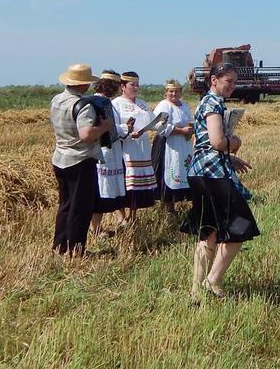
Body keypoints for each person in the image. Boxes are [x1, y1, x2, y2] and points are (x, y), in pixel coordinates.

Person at [181, 63, 260, 299]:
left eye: (235, 82)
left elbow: (201, 143)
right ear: (214, 79)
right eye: (229, 81)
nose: (232, 87)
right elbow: (216, 141)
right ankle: (212, 282)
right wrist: (235, 142)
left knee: (209, 233)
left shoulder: (205, 102)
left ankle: (196, 290)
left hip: (201, 171)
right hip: (214, 175)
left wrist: (230, 158)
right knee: (240, 227)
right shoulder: (214, 103)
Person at [50, 64, 112, 256]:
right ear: (84, 84)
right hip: (80, 160)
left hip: (60, 157)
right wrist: (104, 127)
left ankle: (60, 247)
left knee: (65, 205)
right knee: (81, 208)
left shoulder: (56, 100)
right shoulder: (83, 105)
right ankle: (77, 249)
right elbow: (86, 134)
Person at [111, 71, 157, 221]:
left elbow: (153, 121)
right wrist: (128, 133)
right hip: (126, 148)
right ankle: (121, 217)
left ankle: (133, 215)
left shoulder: (142, 103)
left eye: (137, 85)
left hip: (142, 148)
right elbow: (114, 127)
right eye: (132, 85)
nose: (136, 88)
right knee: (124, 182)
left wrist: (163, 124)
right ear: (123, 86)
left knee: (136, 187)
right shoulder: (116, 104)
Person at [90, 69, 127, 233]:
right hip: (106, 153)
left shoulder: (94, 101)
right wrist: (126, 129)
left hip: (103, 151)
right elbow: (110, 132)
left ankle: (97, 227)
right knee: (101, 193)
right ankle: (96, 229)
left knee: (103, 191)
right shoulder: (103, 104)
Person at [152, 79, 194, 213]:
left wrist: (191, 129)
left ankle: (179, 203)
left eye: (176, 91)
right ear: (166, 93)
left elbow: (189, 121)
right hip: (167, 145)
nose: (174, 94)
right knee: (169, 171)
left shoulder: (184, 106)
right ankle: (168, 207)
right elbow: (158, 126)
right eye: (171, 91)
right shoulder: (164, 106)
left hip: (183, 144)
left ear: (181, 92)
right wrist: (180, 130)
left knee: (182, 169)